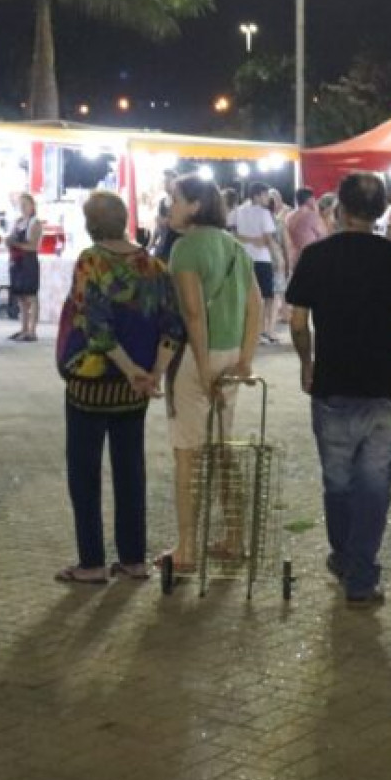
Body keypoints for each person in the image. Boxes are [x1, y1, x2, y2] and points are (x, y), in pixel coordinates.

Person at [286, 171, 391, 608]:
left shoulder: (316, 256)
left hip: (332, 383)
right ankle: (361, 575)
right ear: (382, 211)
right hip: (384, 384)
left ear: (339, 208)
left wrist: (307, 363)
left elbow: (297, 323)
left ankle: (343, 555)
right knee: (374, 481)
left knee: (337, 480)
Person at [52, 191, 180, 584]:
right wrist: (151, 374)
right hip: (134, 391)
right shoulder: (154, 266)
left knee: (84, 473)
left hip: (91, 386)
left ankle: (91, 562)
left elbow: (98, 328)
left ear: (91, 224)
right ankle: (133, 559)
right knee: (130, 471)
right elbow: (172, 326)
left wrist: (128, 371)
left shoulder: (92, 262)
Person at [164, 174, 261, 575]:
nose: (170, 206)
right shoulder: (237, 248)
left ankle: (187, 548)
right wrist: (245, 360)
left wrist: (203, 370)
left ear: (195, 206)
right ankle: (234, 538)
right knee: (224, 449)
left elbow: (193, 314)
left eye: (175, 200)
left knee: (187, 452)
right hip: (232, 355)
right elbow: (255, 305)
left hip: (196, 358)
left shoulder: (185, 249)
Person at [232, 181, 281, 344]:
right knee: (267, 297)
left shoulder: (238, 211)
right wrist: (278, 259)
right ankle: (261, 331)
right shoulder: (264, 213)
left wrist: (249, 239)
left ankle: (247, 331)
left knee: (246, 296)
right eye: (265, 194)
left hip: (243, 257)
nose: (268, 198)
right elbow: (268, 239)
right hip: (262, 259)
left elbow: (233, 233)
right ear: (257, 195)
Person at [7, 193, 44, 342]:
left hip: (28, 261)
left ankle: (32, 330)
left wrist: (14, 243)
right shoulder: (18, 222)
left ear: (32, 206)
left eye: (25, 205)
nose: (22, 208)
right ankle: (23, 329)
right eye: (20, 205)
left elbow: (33, 246)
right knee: (21, 297)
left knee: (31, 296)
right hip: (17, 261)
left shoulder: (35, 223)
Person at [286, 187, 329, 268]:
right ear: (310, 199)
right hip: (311, 258)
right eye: (313, 198)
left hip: (294, 258)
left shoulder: (289, 216)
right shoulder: (311, 215)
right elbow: (325, 237)